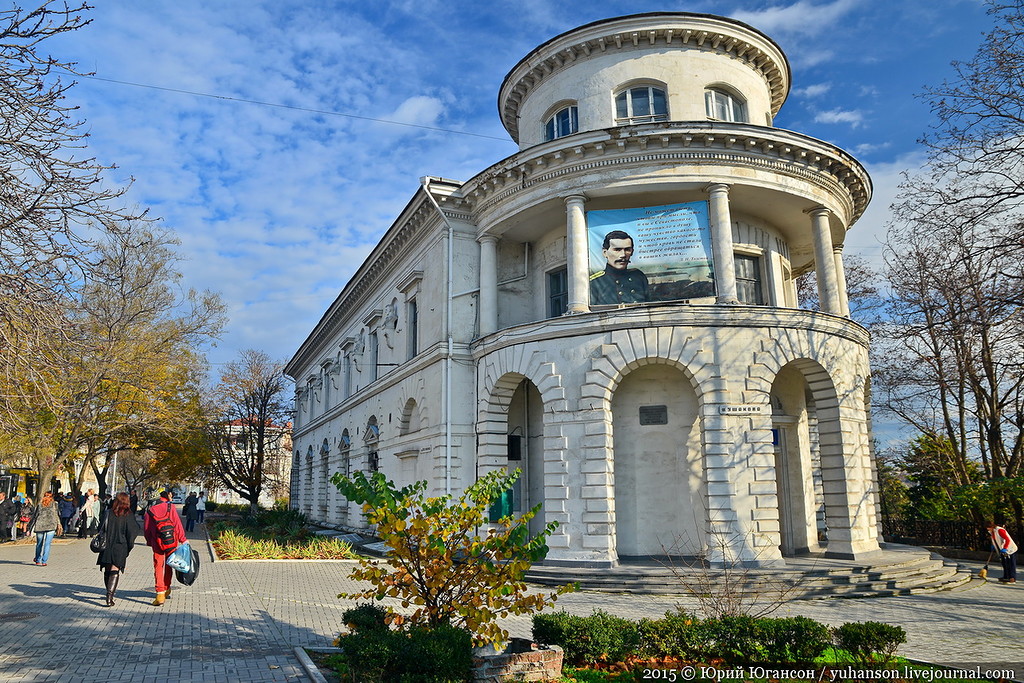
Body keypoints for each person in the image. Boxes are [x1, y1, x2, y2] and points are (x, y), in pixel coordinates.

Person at [96, 492, 140, 607]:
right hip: (120, 545)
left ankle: (108, 592)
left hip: (107, 544)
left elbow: (100, 526)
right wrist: (129, 546)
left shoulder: (108, 513)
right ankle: (110, 596)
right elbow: (132, 532)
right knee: (115, 570)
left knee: (107, 570)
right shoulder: (128, 515)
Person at [143, 490, 186, 606]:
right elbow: (177, 524)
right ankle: (167, 587)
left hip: (157, 543)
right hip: (172, 541)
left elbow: (147, 529)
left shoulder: (149, 511)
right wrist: (182, 539)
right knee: (169, 565)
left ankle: (160, 593)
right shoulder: (170, 507)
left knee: (158, 565)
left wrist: (149, 541)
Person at [589, 230, 650, 305]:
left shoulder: (638, 276)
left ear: (632, 252)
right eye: (617, 250)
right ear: (605, 253)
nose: (623, 255)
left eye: (627, 249)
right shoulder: (595, 283)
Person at [31, 491, 62, 565]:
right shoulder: (55, 504)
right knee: (47, 544)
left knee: (39, 544)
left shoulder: (40, 504)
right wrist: (59, 523)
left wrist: (31, 526)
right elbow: (57, 514)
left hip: (40, 525)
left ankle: (38, 559)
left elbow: (35, 515)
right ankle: (44, 561)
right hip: (51, 525)